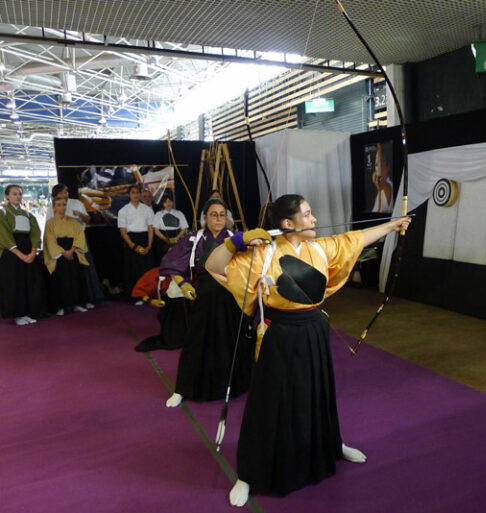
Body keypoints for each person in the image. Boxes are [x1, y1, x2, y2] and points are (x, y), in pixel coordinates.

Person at [205, 194, 411, 504]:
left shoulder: (318, 248)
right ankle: (248, 474)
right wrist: (237, 241)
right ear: (288, 223)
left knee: (318, 393)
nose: (314, 219)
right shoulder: (264, 253)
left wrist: (392, 226)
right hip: (279, 334)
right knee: (270, 403)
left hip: (313, 330)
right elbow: (213, 264)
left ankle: (331, 444)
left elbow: (353, 239)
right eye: (308, 214)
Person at [158, 198, 253, 407]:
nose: (218, 219)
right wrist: (183, 284)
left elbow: (251, 264)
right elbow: (172, 264)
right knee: (195, 342)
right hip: (204, 297)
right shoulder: (194, 239)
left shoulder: (235, 238)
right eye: (213, 214)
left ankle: (238, 384)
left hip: (231, 296)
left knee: (233, 340)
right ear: (205, 218)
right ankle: (182, 389)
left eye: (222, 214)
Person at [0, 184, 47, 325]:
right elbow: (4, 236)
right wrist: (20, 255)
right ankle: (17, 314)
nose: (18, 196)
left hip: (28, 249)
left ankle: (27, 312)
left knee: (29, 281)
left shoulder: (28, 214)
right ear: (7, 196)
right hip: (11, 251)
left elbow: (35, 233)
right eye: (14, 194)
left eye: (20, 194)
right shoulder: (2, 214)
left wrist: (33, 252)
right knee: (14, 283)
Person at [48, 183, 100, 308]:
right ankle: (67, 303)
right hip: (62, 242)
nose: (65, 195)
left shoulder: (76, 203)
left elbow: (88, 220)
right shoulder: (52, 207)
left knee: (82, 271)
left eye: (66, 192)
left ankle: (84, 300)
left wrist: (80, 215)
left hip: (79, 239)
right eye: (61, 193)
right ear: (56, 195)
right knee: (66, 273)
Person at [43, 197, 90, 316]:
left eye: (63, 205)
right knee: (59, 280)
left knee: (76, 278)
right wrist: (63, 252)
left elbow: (79, 236)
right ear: (54, 207)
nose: (62, 207)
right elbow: (50, 240)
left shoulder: (74, 222)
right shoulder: (50, 223)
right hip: (59, 254)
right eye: (58, 205)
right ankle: (60, 306)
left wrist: (72, 250)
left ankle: (77, 304)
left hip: (73, 251)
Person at [117, 184, 154, 305]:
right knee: (132, 270)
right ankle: (134, 296)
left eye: (137, 192)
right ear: (129, 195)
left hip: (144, 239)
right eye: (133, 193)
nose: (136, 195)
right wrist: (132, 245)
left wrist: (149, 245)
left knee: (146, 270)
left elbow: (150, 229)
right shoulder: (123, 210)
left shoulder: (147, 209)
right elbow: (123, 231)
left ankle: (146, 295)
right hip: (131, 240)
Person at [152, 193, 189, 259]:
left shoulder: (179, 213)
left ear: (172, 202)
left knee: (177, 258)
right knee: (163, 258)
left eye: (170, 201)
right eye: (165, 202)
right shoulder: (158, 214)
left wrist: (176, 238)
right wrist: (165, 239)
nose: (168, 203)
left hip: (176, 236)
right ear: (163, 204)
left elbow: (184, 229)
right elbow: (156, 231)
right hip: (163, 239)